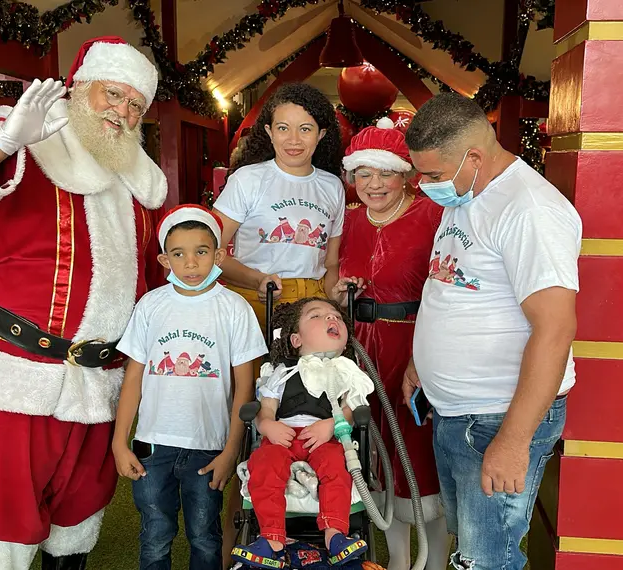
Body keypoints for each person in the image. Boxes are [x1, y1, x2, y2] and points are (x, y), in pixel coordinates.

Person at [0, 36, 167, 570]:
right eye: (112, 95)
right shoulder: (30, 140)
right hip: (14, 371)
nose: (121, 112)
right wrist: (2, 145)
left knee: (80, 506)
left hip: (100, 377)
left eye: (134, 104)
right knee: (7, 513)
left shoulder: (138, 182)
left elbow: (143, 279)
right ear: (80, 90)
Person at [401, 93, 581, 570]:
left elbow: (556, 327)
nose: (426, 186)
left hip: (497, 419)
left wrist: (514, 440)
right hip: (457, 414)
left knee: (487, 560)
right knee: (471, 552)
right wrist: (424, 360)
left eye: (434, 175)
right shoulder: (468, 192)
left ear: (474, 156)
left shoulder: (529, 211)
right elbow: (455, 280)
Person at [213, 82, 345, 563]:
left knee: (310, 406)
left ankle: (316, 528)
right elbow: (216, 253)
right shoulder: (248, 180)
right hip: (255, 302)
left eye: (306, 129)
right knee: (248, 415)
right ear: (267, 131)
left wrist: (339, 294)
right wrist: (256, 277)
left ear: (321, 134)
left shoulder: (331, 187)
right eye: (284, 127)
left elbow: (328, 267)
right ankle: (235, 542)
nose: (294, 138)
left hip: (307, 306)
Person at [112, 205, 267, 570]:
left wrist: (231, 450)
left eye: (201, 252)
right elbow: (133, 377)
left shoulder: (234, 309)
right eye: (179, 254)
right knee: (154, 535)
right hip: (154, 445)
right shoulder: (151, 306)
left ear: (219, 255)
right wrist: (120, 442)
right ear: (165, 260)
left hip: (208, 446)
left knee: (204, 536)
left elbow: (245, 385)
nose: (192, 264)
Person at [330, 117, 450, 570]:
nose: (374, 184)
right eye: (364, 174)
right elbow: (330, 283)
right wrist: (340, 292)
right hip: (359, 351)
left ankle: (434, 560)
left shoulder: (433, 216)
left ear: (406, 174)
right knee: (371, 452)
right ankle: (396, 561)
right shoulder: (350, 221)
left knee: (417, 455)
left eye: (385, 173)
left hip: (416, 348)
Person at [232, 298, 373, 569]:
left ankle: (335, 535)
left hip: (326, 437)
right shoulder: (283, 371)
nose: (331, 319)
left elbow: (353, 407)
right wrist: (267, 426)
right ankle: (272, 538)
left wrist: (331, 424)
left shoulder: (347, 372)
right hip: (283, 435)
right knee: (264, 462)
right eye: (317, 316)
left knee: (336, 462)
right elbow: (267, 406)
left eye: (336, 317)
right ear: (296, 339)